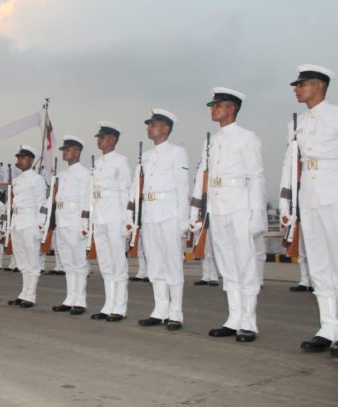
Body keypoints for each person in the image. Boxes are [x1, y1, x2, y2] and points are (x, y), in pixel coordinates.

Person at [190, 87, 266, 343]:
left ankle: (249, 322)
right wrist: (198, 211)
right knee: (227, 265)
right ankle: (234, 319)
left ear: (231, 108)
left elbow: (256, 177)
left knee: (245, 263)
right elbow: (204, 176)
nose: (213, 109)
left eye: (217, 104)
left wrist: (257, 214)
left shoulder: (247, 138)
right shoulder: (211, 141)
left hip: (240, 205)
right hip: (218, 207)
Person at [280, 64, 338, 357]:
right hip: (309, 197)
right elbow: (291, 164)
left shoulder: (336, 114)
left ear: (319, 86)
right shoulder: (297, 122)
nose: (296, 89)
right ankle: (328, 328)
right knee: (319, 264)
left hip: (334, 192)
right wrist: (286, 203)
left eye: (301, 85)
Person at [131, 108, 189, 331]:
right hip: (150, 213)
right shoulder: (146, 156)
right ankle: (160, 309)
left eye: (153, 124)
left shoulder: (177, 152)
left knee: (172, 262)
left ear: (166, 128)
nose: (149, 127)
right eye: (149, 124)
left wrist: (183, 220)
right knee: (154, 263)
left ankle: (176, 313)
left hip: (169, 213)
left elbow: (182, 186)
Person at [88, 122, 132, 322]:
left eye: (103, 137)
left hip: (115, 216)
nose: (99, 140)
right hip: (100, 216)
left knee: (118, 263)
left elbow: (125, 192)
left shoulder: (121, 162)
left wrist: (127, 221)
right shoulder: (98, 163)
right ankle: (108, 305)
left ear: (113, 139)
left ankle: (120, 307)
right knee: (105, 263)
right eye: (98, 137)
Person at [51, 135, 90, 316]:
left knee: (79, 262)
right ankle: (70, 298)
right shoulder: (62, 175)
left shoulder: (84, 173)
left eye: (68, 149)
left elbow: (86, 200)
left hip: (75, 221)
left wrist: (84, 224)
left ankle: (80, 300)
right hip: (62, 220)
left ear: (77, 151)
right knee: (67, 262)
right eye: (64, 149)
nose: (65, 152)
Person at [6, 145, 47, 308]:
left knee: (32, 261)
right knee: (22, 261)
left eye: (22, 158)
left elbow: (42, 204)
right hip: (17, 222)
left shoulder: (37, 179)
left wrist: (39, 226)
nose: (19, 160)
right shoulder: (16, 180)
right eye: (18, 158)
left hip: (30, 221)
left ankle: (31, 295)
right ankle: (24, 292)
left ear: (31, 160)